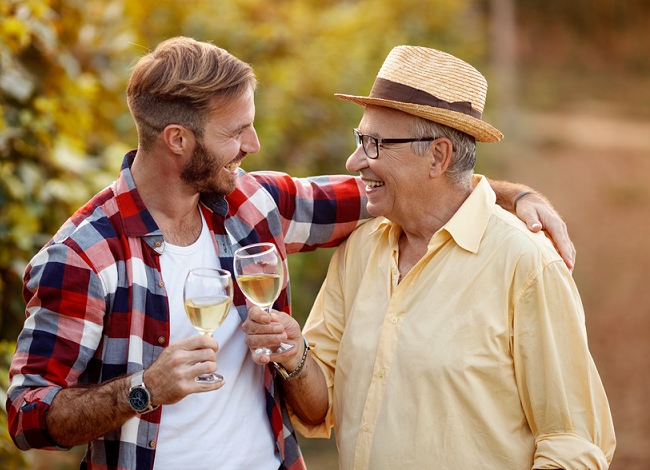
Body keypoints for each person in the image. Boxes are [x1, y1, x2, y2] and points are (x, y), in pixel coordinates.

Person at [6, 37, 575, 470]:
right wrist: (142, 390)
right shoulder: (84, 257)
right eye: (237, 133)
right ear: (178, 140)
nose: (252, 146)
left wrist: (516, 195)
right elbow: (28, 414)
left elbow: (410, 187)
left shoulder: (254, 203)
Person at [244, 45, 616, 469]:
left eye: (374, 144)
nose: (355, 161)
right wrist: (294, 357)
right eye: (359, 139)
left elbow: (572, 446)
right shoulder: (360, 250)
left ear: (438, 156)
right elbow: (318, 408)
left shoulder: (526, 264)